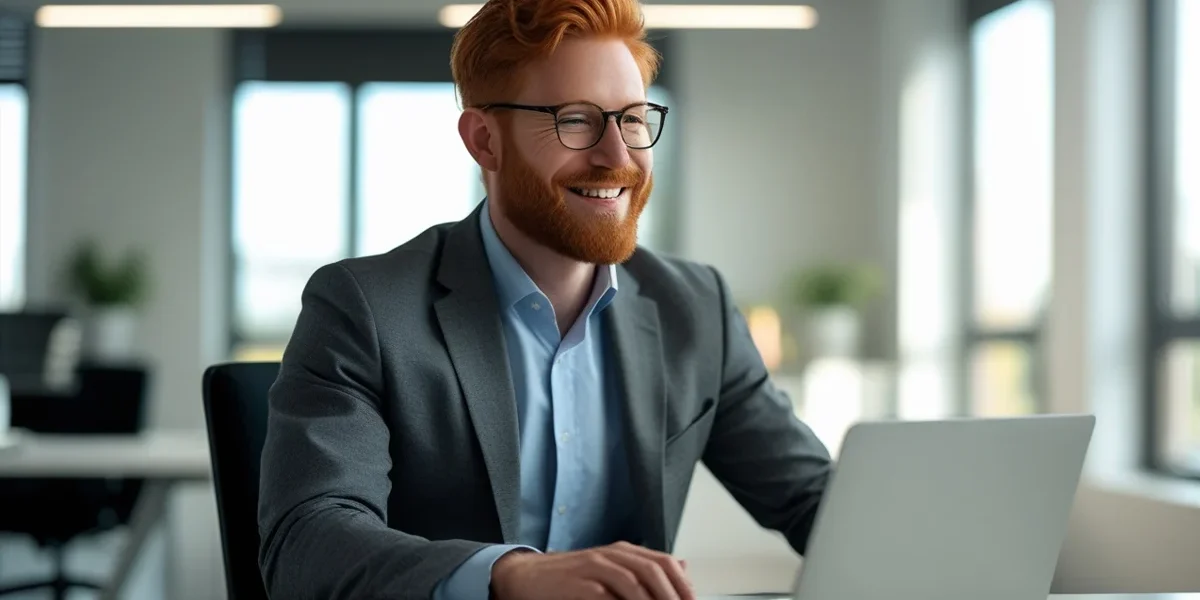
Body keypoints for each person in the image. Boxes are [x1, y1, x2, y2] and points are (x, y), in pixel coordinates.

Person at [256, 0, 833, 597]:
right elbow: (306, 543)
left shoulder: (694, 306)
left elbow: (817, 502)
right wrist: (507, 576)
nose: (618, 157)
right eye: (576, 120)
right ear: (485, 141)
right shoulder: (366, 308)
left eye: (634, 119)